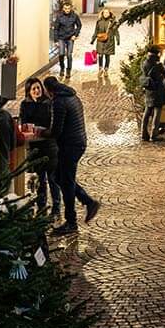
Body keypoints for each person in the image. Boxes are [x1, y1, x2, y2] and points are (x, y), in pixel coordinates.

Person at [44, 74, 100, 234]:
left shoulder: (59, 101)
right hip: (77, 142)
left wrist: (42, 132)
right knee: (58, 177)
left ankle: (72, 221)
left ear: (49, 90)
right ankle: (87, 202)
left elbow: (56, 130)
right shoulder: (72, 96)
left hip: (70, 145)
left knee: (66, 181)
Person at [18, 76, 56, 211]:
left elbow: (51, 124)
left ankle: (56, 207)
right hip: (34, 146)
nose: (36, 91)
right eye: (33, 88)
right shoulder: (25, 104)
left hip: (48, 144)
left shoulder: (48, 103)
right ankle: (41, 205)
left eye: (38, 88)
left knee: (52, 178)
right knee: (39, 178)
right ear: (29, 91)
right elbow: (23, 122)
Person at [140, 44, 165, 142]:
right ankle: (154, 134)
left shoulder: (144, 62)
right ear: (157, 53)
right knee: (157, 111)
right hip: (158, 90)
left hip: (149, 89)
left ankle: (143, 133)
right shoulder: (158, 64)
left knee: (147, 111)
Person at [51, 0, 82, 80]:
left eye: (68, 8)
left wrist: (75, 35)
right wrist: (56, 40)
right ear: (63, 9)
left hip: (70, 38)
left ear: (71, 8)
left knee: (69, 55)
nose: (67, 10)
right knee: (61, 54)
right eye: (65, 8)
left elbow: (79, 26)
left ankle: (68, 70)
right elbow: (56, 29)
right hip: (61, 38)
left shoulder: (74, 16)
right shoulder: (59, 16)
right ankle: (62, 68)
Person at [94, 12, 119, 76]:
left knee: (107, 56)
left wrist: (118, 39)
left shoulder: (113, 22)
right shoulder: (99, 21)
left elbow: (116, 31)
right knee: (100, 55)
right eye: (104, 13)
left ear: (110, 14)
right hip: (100, 40)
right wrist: (93, 39)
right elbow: (96, 31)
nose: (105, 14)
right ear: (102, 14)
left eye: (107, 13)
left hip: (109, 41)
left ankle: (106, 70)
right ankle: (100, 69)